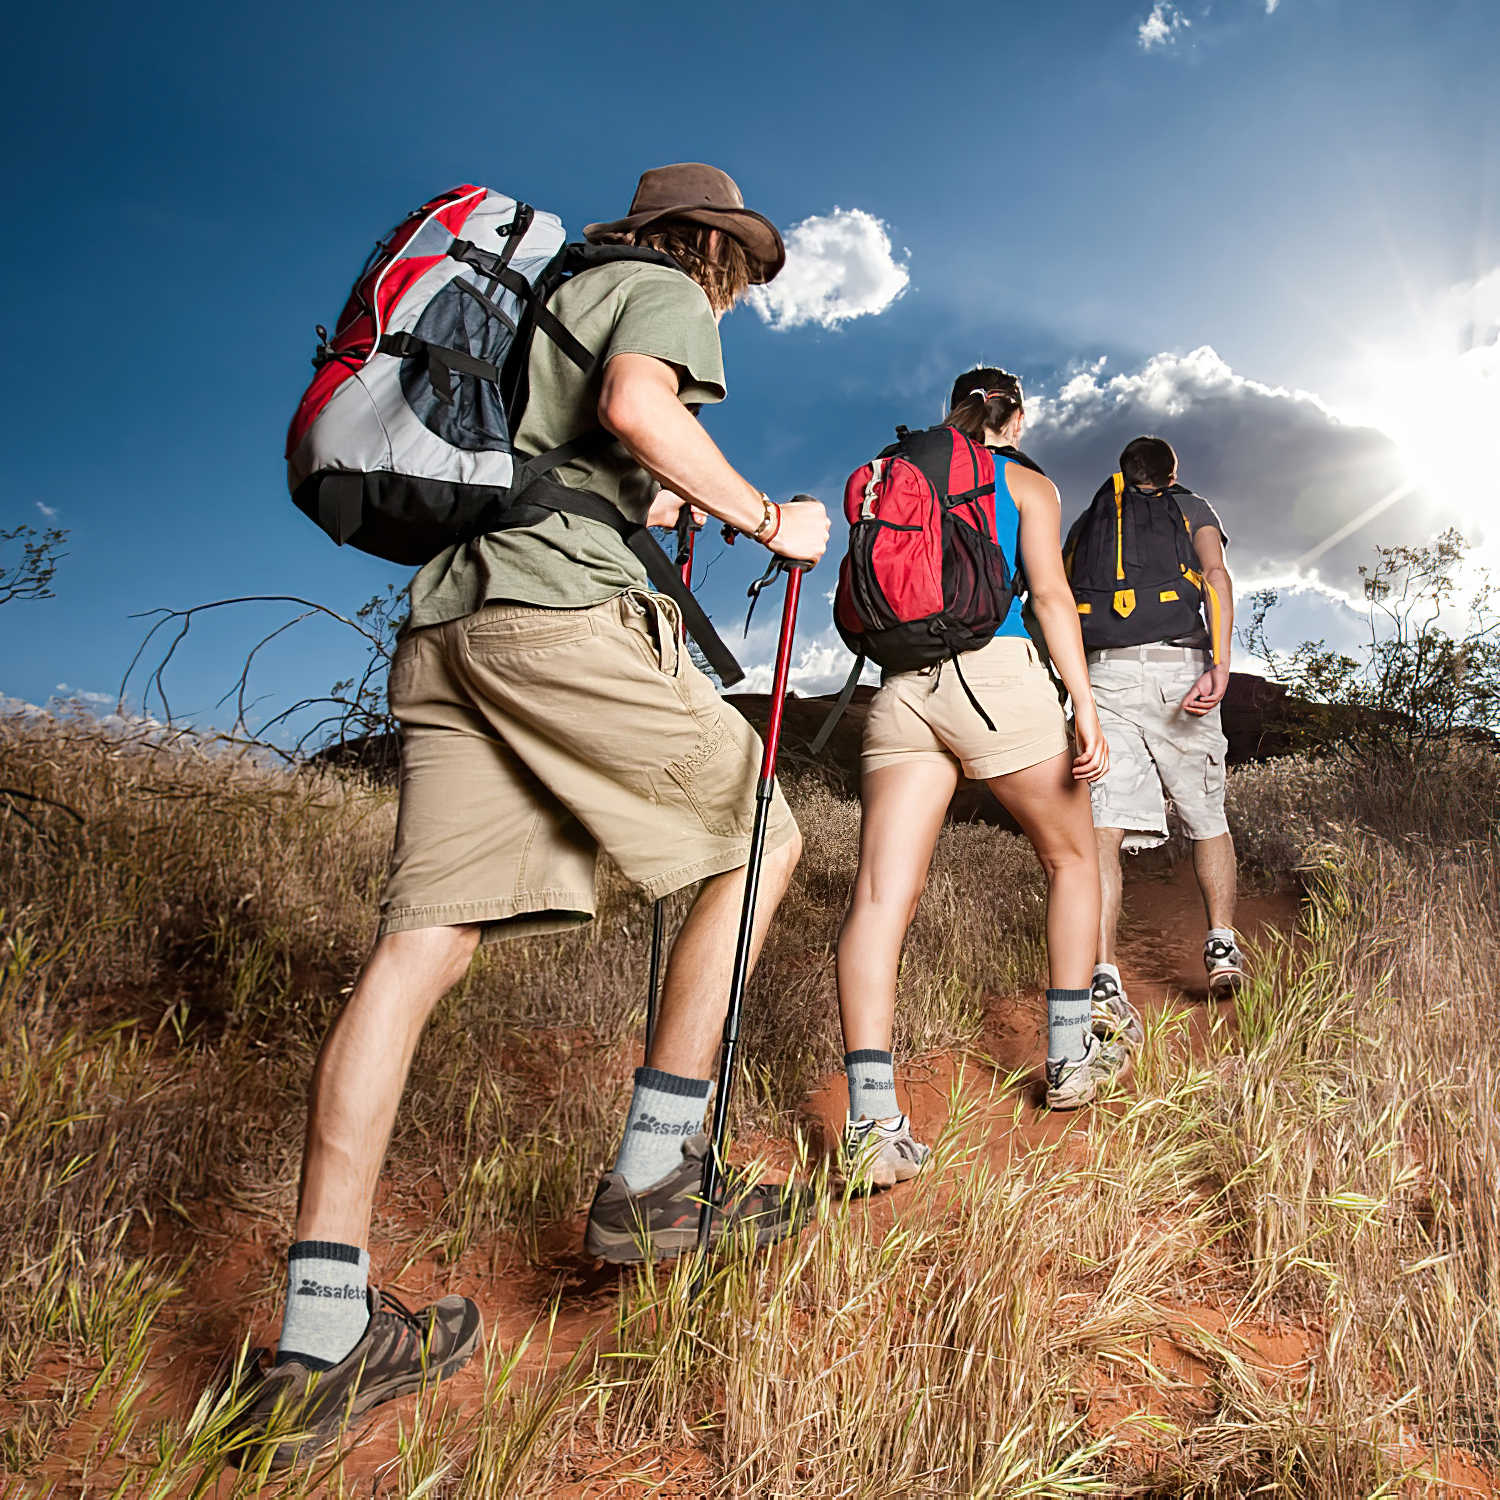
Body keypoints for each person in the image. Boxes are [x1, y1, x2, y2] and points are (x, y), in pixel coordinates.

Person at [235, 163, 831, 1464]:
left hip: (451, 628)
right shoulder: (661, 287)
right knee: (763, 837)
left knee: (419, 947)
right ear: (714, 248)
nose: (736, 293)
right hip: (559, 622)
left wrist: (660, 501)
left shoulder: (543, 297)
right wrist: (766, 517)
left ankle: (319, 1335)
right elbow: (636, 404)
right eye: (741, 270)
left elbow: (574, 453)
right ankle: (659, 1174)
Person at [833, 368, 1117, 1192]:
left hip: (900, 691)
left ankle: (872, 1125)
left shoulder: (899, 472)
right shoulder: (1025, 483)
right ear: (1015, 418)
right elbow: (1051, 598)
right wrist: (1084, 706)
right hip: (995, 679)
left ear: (953, 412)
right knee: (1073, 859)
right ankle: (1069, 1059)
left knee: (880, 898)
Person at [1070, 436, 1243, 1033]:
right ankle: (1220, 944)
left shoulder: (1092, 521)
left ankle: (1103, 973)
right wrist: (1220, 663)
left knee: (1102, 829)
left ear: (1123, 472)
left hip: (1104, 675)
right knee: (1207, 815)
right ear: (1172, 473)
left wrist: (1073, 686)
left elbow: (1057, 598)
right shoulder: (1191, 506)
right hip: (1178, 669)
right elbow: (1215, 576)